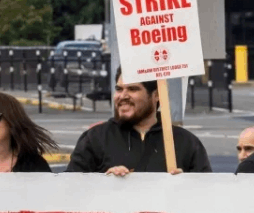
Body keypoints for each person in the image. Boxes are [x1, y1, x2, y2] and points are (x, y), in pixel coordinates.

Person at [66, 74, 211, 175]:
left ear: (156, 95)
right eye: (119, 89)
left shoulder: (186, 143)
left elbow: (208, 196)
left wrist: (188, 184)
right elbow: (70, 191)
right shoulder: (95, 139)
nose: (123, 96)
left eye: (133, 89)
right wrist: (104, 182)